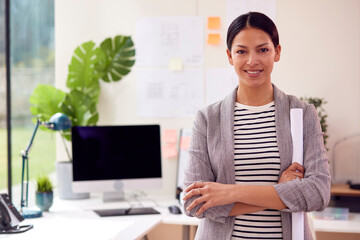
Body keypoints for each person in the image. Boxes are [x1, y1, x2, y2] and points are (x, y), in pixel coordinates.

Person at [182, 12, 330, 240]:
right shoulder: (208, 119)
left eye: (263, 50)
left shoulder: (302, 113)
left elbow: (318, 193)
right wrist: (280, 192)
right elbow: (195, 203)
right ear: (230, 56)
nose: (252, 61)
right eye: (241, 51)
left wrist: (228, 193)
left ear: (277, 52)